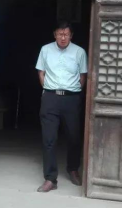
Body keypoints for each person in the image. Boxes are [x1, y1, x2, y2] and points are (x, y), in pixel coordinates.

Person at [35, 20, 88, 193]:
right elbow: (41, 72)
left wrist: (75, 93)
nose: (63, 37)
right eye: (60, 34)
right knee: (49, 139)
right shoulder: (45, 50)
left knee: (74, 136)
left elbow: (83, 76)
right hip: (50, 98)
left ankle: (73, 169)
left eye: (66, 34)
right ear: (55, 34)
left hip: (71, 98)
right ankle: (50, 178)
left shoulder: (79, 52)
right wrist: (47, 89)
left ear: (71, 35)